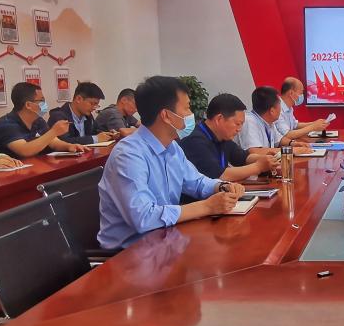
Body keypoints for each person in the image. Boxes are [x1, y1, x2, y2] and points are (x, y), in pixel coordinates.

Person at [98, 76, 246, 250]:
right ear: (166, 116)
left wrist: (221, 187)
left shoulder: (172, 147)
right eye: (187, 108)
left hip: (165, 241)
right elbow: (143, 218)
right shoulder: (128, 155)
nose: (191, 114)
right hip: (128, 253)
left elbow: (196, 182)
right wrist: (207, 206)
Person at [180, 93, 280, 181]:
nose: (239, 129)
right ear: (219, 119)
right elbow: (221, 175)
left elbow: (243, 157)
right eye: (237, 124)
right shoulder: (194, 140)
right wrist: (259, 166)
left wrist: (266, 159)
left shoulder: (223, 137)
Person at [0, 82, 87, 157]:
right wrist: (54, 131)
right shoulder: (6, 125)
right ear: (28, 105)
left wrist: (69, 146)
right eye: (42, 101)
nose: (45, 104)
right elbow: (25, 150)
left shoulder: (38, 121)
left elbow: (54, 142)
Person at [236, 86, 312, 155]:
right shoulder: (249, 121)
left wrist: (293, 143)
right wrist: (290, 150)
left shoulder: (269, 121)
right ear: (272, 111)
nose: (281, 108)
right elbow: (254, 151)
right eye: (279, 104)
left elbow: (279, 140)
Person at [48, 81, 117, 144]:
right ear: (78, 99)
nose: (94, 108)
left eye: (96, 105)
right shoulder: (58, 116)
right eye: (92, 103)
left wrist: (108, 135)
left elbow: (95, 132)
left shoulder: (88, 116)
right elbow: (63, 142)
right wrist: (95, 139)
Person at [275, 77, 330, 144]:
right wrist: (312, 127)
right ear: (291, 93)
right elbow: (287, 135)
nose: (302, 95)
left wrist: (315, 123)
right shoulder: (277, 108)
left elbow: (295, 125)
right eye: (301, 92)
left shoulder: (289, 107)